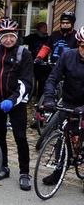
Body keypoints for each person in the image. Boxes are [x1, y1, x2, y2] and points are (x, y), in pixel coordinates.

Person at [0, 18, 33, 191]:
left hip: (15, 103)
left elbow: (26, 82)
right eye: (4, 36)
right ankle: (4, 166)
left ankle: (24, 172)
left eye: (11, 36)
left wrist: (13, 99)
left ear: (16, 36)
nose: (8, 39)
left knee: (20, 137)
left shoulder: (24, 54)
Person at [40, 25, 84, 186]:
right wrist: (49, 99)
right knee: (62, 135)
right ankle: (58, 171)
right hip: (68, 100)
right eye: (82, 46)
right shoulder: (68, 56)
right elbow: (53, 78)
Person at [34, 12, 78, 102]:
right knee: (47, 83)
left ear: (72, 23)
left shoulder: (76, 36)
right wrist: (39, 57)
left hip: (69, 67)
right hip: (54, 66)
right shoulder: (54, 35)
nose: (65, 25)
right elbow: (46, 48)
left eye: (67, 23)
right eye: (63, 23)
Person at [23, 22, 49, 102]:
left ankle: (40, 97)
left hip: (43, 63)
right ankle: (31, 95)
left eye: (46, 27)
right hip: (33, 62)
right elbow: (23, 40)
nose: (45, 29)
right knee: (32, 79)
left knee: (43, 81)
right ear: (39, 28)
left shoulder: (48, 38)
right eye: (43, 27)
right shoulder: (33, 37)